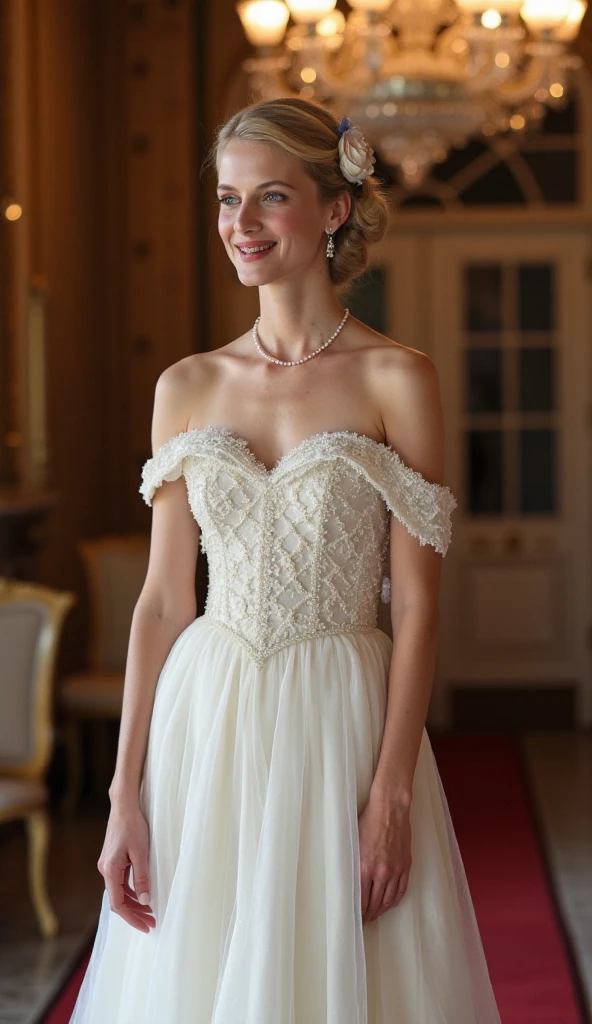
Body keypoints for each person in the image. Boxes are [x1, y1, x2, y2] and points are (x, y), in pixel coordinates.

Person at [70, 97, 501, 1023]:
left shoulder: (398, 377)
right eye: (228, 201)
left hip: (340, 719)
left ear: (334, 207)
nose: (242, 225)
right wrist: (124, 794)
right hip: (205, 718)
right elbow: (160, 603)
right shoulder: (186, 385)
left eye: (270, 198)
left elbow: (418, 608)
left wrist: (389, 793)